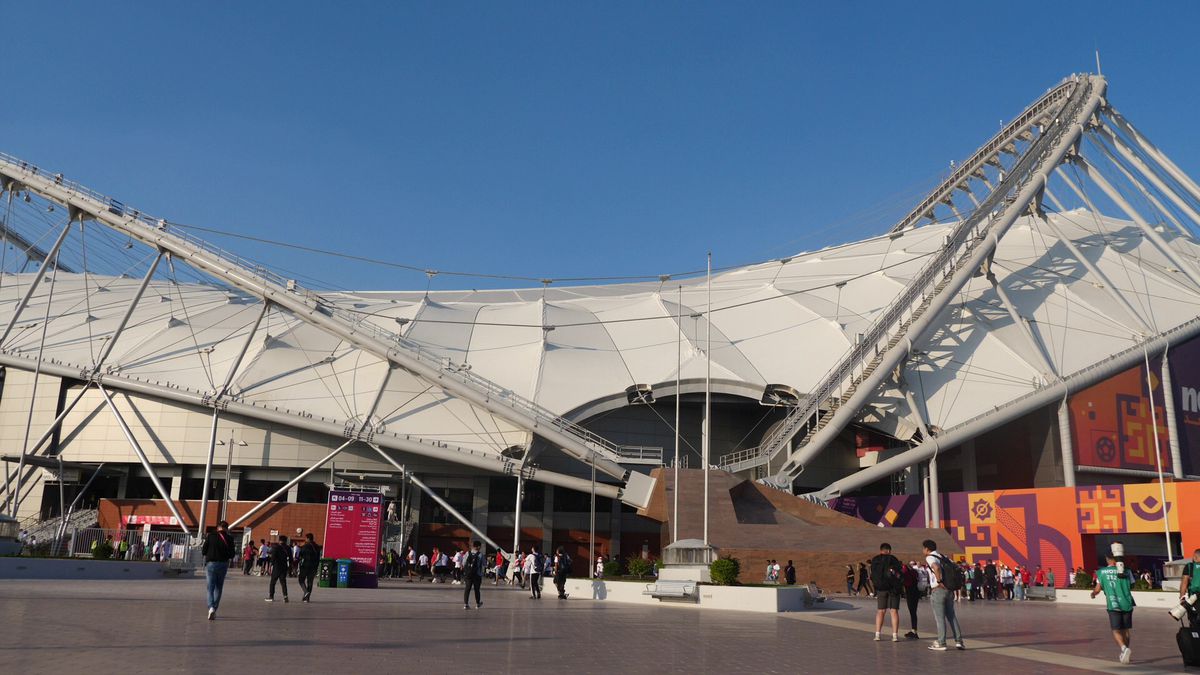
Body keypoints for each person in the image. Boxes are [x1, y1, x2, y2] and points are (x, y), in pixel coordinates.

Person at [1092, 551, 1135, 664]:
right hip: (1127, 603)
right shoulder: (1126, 570)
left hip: (1113, 603)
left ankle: (1124, 649)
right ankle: (1125, 652)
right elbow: (1132, 585)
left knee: (1116, 630)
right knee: (1126, 630)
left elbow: (1097, 589)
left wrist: (1093, 594)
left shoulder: (1101, 572)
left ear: (1107, 559)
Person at [923, 539, 964, 652]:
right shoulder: (943, 556)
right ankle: (959, 641)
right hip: (949, 590)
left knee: (939, 618)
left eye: (923, 548)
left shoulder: (930, 557)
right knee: (951, 616)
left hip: (939, 590)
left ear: (927, 548)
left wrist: (939, 581)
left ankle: (941, 642)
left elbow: (936, 567)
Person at [201, 520, 234, 621]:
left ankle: (210, 607)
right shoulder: (229, 538)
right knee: (218, 588)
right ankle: (214, 609)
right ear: (227, 528)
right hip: (223, 564)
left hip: (211, 564)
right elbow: (232, 554)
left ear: (218, 527)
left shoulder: (211, 536)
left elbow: (204, 550)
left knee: (210, 587)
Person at [870, 543, 903, 642]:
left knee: (881, 611)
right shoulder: (894, 559)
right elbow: (899, 574)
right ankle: (895, 635)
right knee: (894, 611)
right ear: (889, 550)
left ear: (881, 550)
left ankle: (877, 634)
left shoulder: (875, 559)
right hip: (893, 589)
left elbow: (873, 575)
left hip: (881, 589)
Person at [266, 535, 292, 602]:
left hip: (277, 567)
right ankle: (285, 597)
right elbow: (291, 559)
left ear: (279, 540)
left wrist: (270, 565)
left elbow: (273, 557)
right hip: (284, 567)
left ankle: (271, 596)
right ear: (286, 541)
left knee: (273, 582)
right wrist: (290, 567)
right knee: (283, 582)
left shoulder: (276, 547)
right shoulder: (288, 548)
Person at [297, 533, 321, 603]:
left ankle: (305, 591)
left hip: (305, 566)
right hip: (313, 567)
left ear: (307, 538)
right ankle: (307, 598)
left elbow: (300, 555)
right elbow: (318, 558)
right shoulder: (317, 547)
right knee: (310, 582)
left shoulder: (305, 546)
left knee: (301, 580)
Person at [462, 540, 486, 609]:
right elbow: (484, 564)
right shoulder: (480, 555)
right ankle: (477, 604)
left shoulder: (467, 553)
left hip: (468, 575)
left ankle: (466, 604)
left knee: (467, 589)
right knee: (477, 589)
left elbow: (463, 563)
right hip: (477, 575)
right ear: (478, 547)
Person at [901, 561, 921, 639]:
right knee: (913, 612)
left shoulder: (906, 573)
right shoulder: (914, 572)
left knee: (912, 612)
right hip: (916, 592)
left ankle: (914, 631)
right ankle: (914, 630)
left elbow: (904, 582)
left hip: (910, 593)